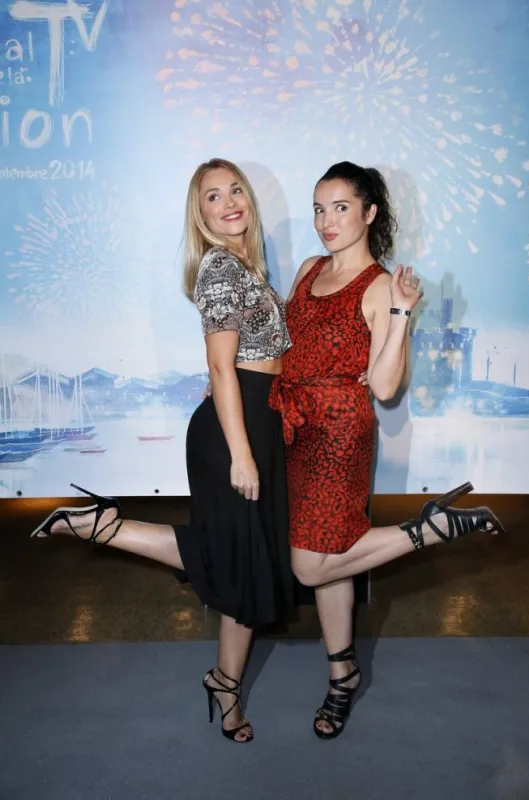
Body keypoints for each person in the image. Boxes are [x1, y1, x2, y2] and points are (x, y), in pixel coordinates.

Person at [30, 158, 299, 744]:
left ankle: (223, 685)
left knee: (237, 566)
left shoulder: (246, 267)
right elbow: (220, 368)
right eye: (212, 197)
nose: (229, 202)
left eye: (235, 191)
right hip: (237, 431)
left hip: (251, 418)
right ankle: (98, 525)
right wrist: (243, 454)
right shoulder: (221, 269)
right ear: (198, 214)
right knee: (232, 561)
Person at [269, 160, 504, 740]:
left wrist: (400, 313)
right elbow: (283, 347)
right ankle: (341, 675)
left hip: (340, 435)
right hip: (294, 429)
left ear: (370, 212)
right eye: (320, 208)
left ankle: (431, 530)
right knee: (329, 562)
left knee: (309, 560)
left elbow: (385, 386)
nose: (327, 220)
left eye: (341, 207)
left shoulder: (378, 286)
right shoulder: (306, 270)